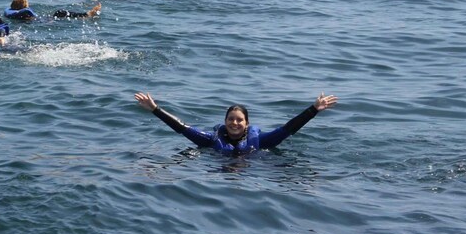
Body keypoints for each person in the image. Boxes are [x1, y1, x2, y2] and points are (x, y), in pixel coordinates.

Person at [134, 92, 338, 156]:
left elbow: (288, 129)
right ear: (224, 121)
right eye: (231, 119)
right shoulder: (211, 140)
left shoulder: (260, 141)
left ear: (247, 124)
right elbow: (182, 128)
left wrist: (313, 110)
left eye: (239, 119)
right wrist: (155, 109)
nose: (234, 123)